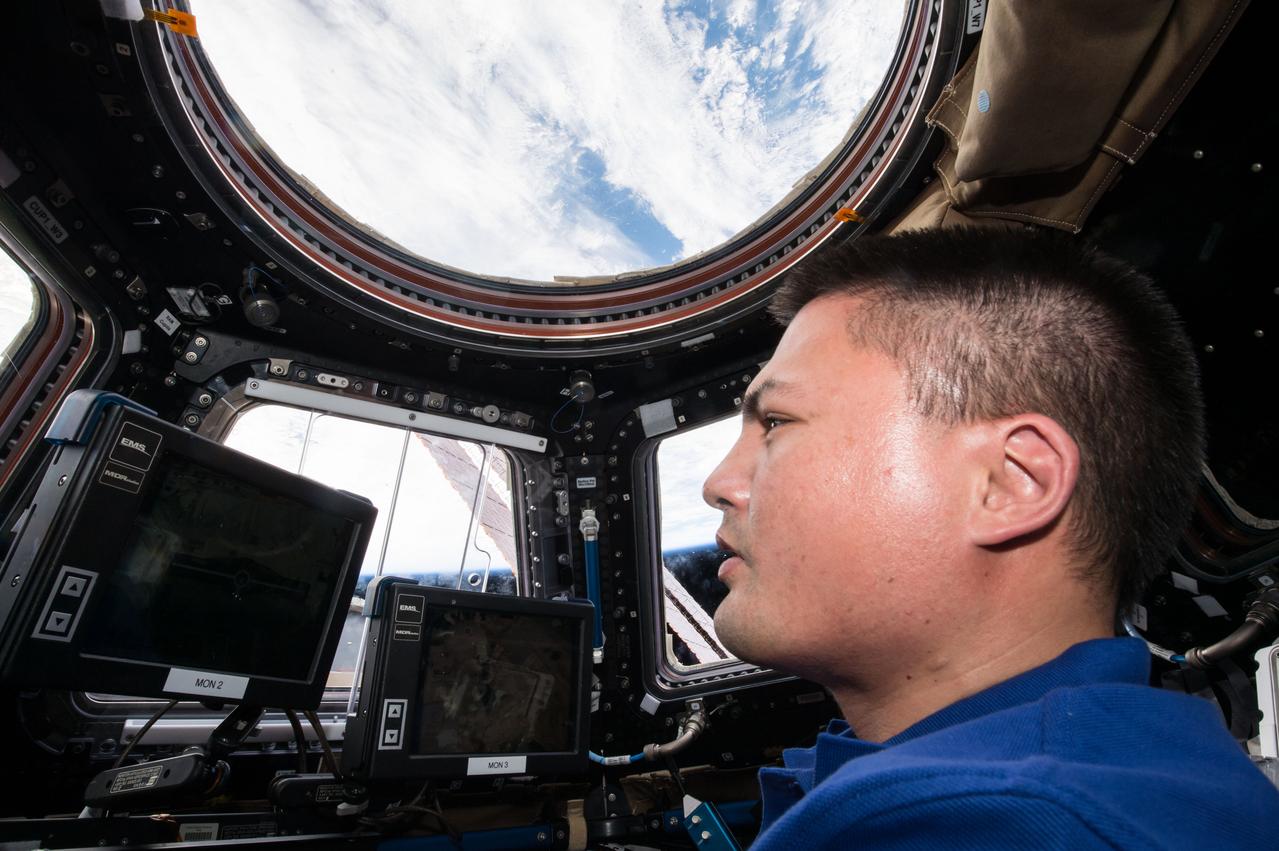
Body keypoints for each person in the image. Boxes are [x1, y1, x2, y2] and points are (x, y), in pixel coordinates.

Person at [702, 228, 1279, 849]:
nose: (719, 483)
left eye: (778, 423)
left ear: (1009, 483)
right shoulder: (1144, 769)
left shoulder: (989, 824)